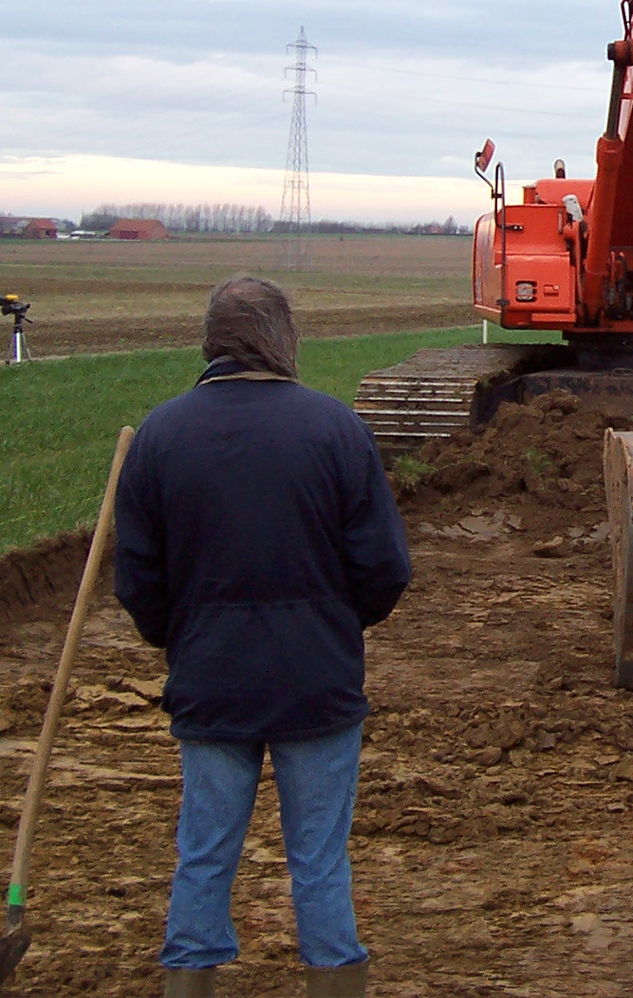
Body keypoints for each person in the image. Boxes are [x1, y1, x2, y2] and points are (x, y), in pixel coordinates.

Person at [114, 275, 412, 998]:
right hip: (318, 684)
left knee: (204, 855)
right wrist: (337, 626)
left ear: (212, 340)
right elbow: (384, 567)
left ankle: (190, 979)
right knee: (319, 859)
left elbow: (138, 581)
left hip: (210, 680)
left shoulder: (160, 435)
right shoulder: (335, 429)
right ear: (282, 337)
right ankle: (333, 979)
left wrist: (180, 639)